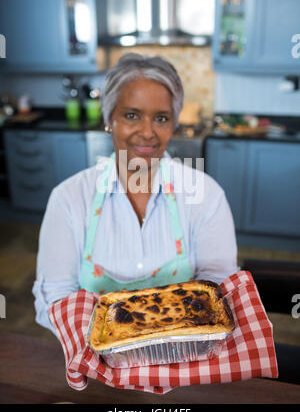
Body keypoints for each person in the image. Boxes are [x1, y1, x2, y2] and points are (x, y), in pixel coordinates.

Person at [32, 53, 239, 333]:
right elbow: (54, 298)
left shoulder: (206, 195)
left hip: (185, 358)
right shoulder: (69, 199)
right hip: (97, 360)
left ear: (174, 124)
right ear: (109, 120)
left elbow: (219, 287)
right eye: (131, 115)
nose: (147, 132)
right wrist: (113, 342)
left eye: (161, 118)